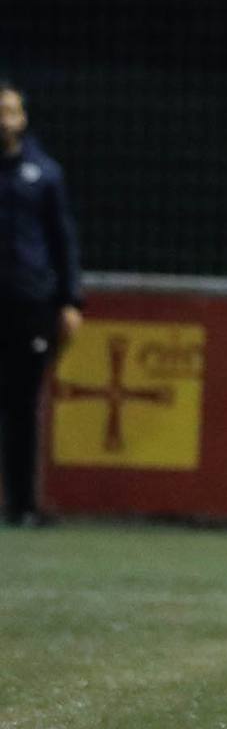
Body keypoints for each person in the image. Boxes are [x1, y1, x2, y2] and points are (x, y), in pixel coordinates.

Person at [0, 81, 83, 528]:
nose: (3, 120)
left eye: (10, 111)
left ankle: (22, 505)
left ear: (23, 117)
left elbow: (62, 237)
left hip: (29, 301)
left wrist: (70, 299)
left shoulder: (44, 173)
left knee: (21, 403)